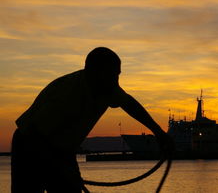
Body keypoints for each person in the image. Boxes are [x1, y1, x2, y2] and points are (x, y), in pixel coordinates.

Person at [11, 47, 174, 193]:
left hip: (61, 150)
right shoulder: (67, 93)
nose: (116, 81)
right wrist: (60, 167)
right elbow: (34, 135)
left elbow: (130, 104)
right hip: (29, 148)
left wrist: (158, 132)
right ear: (95, 73)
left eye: (117, 75)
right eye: (112, 75)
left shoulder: (107, 88)